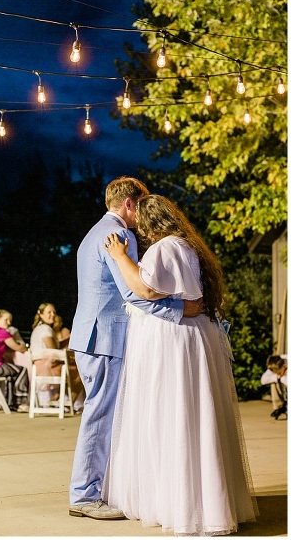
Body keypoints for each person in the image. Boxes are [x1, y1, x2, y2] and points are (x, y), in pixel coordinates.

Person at [103, 194, 257, 535]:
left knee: (172, 416)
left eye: (142, 224)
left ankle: (182, 506)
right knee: (194, 416)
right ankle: (200, 502)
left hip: (171, 341)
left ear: (150, 222)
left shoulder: (163, 248)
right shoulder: (187, 246)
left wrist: (119, 256)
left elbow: (145, 288)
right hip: (191, 336)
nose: (140, 231)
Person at [68, 176, 202, 520]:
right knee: (100, 415)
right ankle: (84, 495)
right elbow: (135, 292)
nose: (141, 215)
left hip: (90, 335)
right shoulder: (120, 235)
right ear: (129, 204)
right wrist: (180, 310)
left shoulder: (92, 233)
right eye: (139, 206)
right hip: (106, 337)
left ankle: (97, 489)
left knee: (101, 413)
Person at [261, 354, 287, 419]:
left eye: (279, 372)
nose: (279, 374)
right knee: (273, 381)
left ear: (284, 366)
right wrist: (277, 377)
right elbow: (263, 380)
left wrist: (282, 378)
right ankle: (279, 406)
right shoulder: (276, 364)